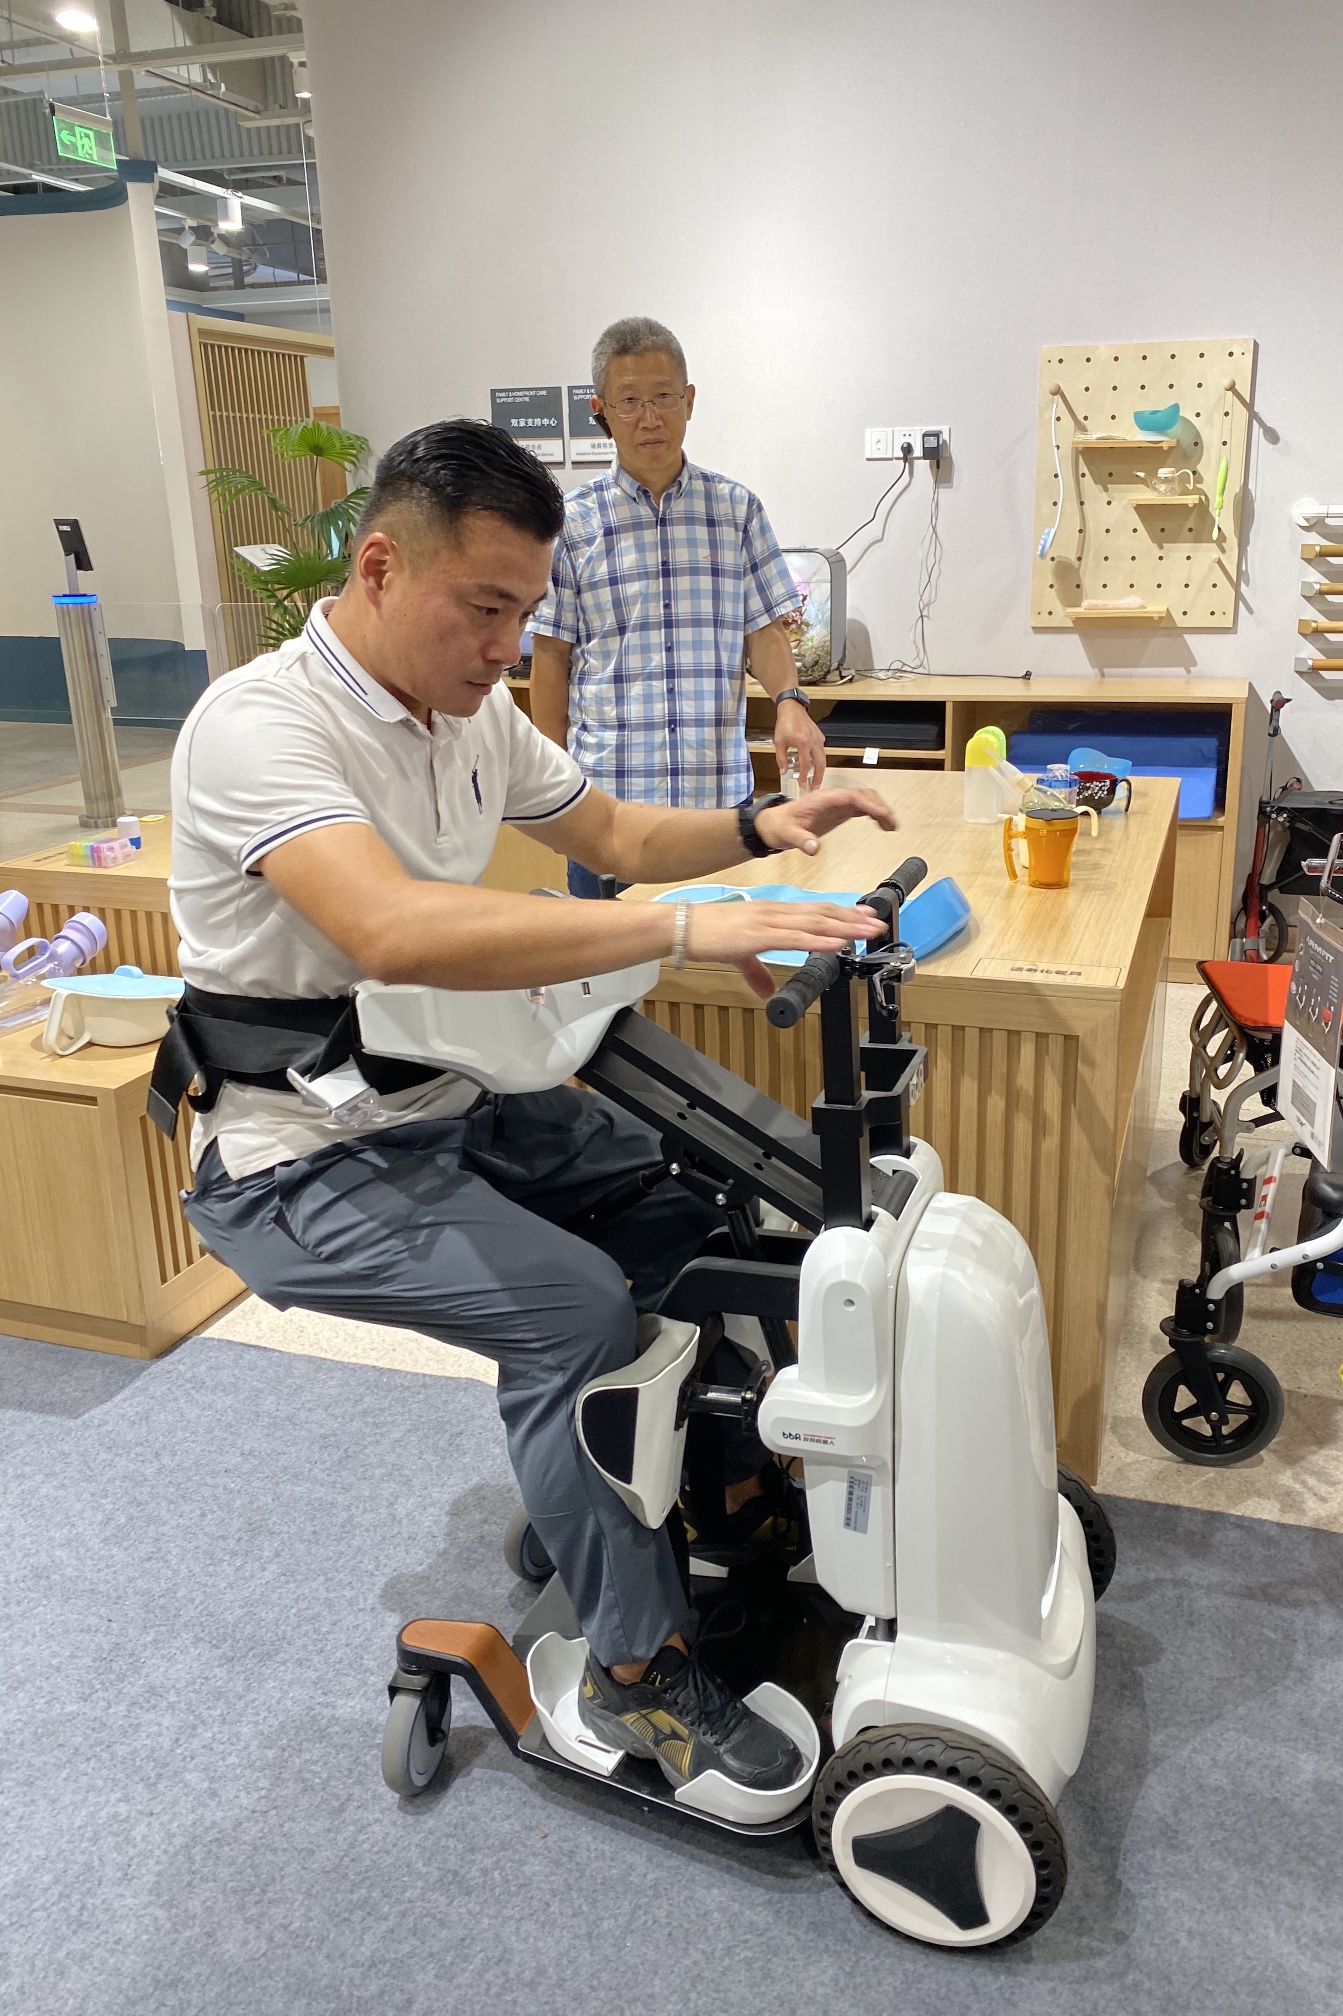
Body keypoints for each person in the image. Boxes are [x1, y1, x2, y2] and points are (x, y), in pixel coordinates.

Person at [165, 419, 897, 1793]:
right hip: (295, 1159)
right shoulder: (262, 726)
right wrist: (681, 931)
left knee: (701, 1204)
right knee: (572, 1312)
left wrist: (756, 830)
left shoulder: (471, 713)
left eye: (525, 614)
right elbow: (391, 931)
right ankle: (633, 1679)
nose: (511, 648)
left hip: (447, 1101)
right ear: (381, 568)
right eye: (486, 609)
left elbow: (614, 836)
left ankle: (699, 1492)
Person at [529, 316, 826, 899]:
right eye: (629, 401)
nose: (649, 418)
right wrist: (553, 784)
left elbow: (764, 632)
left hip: (718, 813)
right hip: (607, 815)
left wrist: (790, 703)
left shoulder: (737, 510)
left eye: (664, 397)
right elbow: (550, 658)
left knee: (726, 956)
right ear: (601, 411)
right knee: (606, 959)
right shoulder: (571, 523)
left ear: (689, 401)